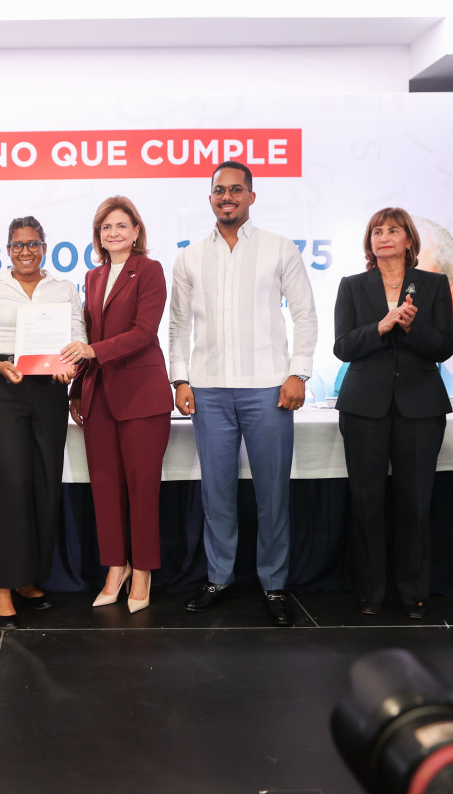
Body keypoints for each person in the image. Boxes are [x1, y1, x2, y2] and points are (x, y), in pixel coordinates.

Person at [168, 160, 317, 627]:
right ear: (210, 197)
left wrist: (299, 373)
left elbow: (305, 314)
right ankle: (219, 578)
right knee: (217, 494)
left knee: (273, 493)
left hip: (269, 388)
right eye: (219, 190)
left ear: (251, 197)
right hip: (208, 389)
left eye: (236, 189)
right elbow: (177, 325)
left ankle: (274, 584)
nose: (227, 197)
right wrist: (180, 379)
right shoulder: (190, 257)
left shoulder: (279, 248)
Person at [333, 207, 453, 619]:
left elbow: (444, 348)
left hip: (420, 405)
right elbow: (343, 347)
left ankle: (414, 593)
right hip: (364, 406)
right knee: (367, 502)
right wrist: (381, 327)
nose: (384, 237)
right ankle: (370, 592)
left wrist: (412, 327)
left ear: (408, 240)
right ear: (369, 242)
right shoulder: (352, 286)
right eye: (377, 231)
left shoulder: (433, 285)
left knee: (415, 503)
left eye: (393, 230)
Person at [0, 217, 84, 627]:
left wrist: (70, 367)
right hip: (4, 388)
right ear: (7, 250)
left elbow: (78, 338)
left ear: (45, 247)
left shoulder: (64, 288)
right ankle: (2, 586)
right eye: (18, 245)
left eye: (33, 244)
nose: (26, 251)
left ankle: (28, 577)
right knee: (12, 486)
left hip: (50, 390)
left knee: (45, 485)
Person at [63, 197, 172, 613]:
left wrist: (93, 351)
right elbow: (88, 336)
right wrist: (77, 388)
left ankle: (142, 571)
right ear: (98, 235)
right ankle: (115, 567)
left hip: (142, 395)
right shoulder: (92, 276)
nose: (113, 233)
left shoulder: (150, 270)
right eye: (106, 227)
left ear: (136, 231)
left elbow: (145, 332)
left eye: (121, 225)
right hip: (99, 396)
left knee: (142, 489)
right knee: (105, 488)